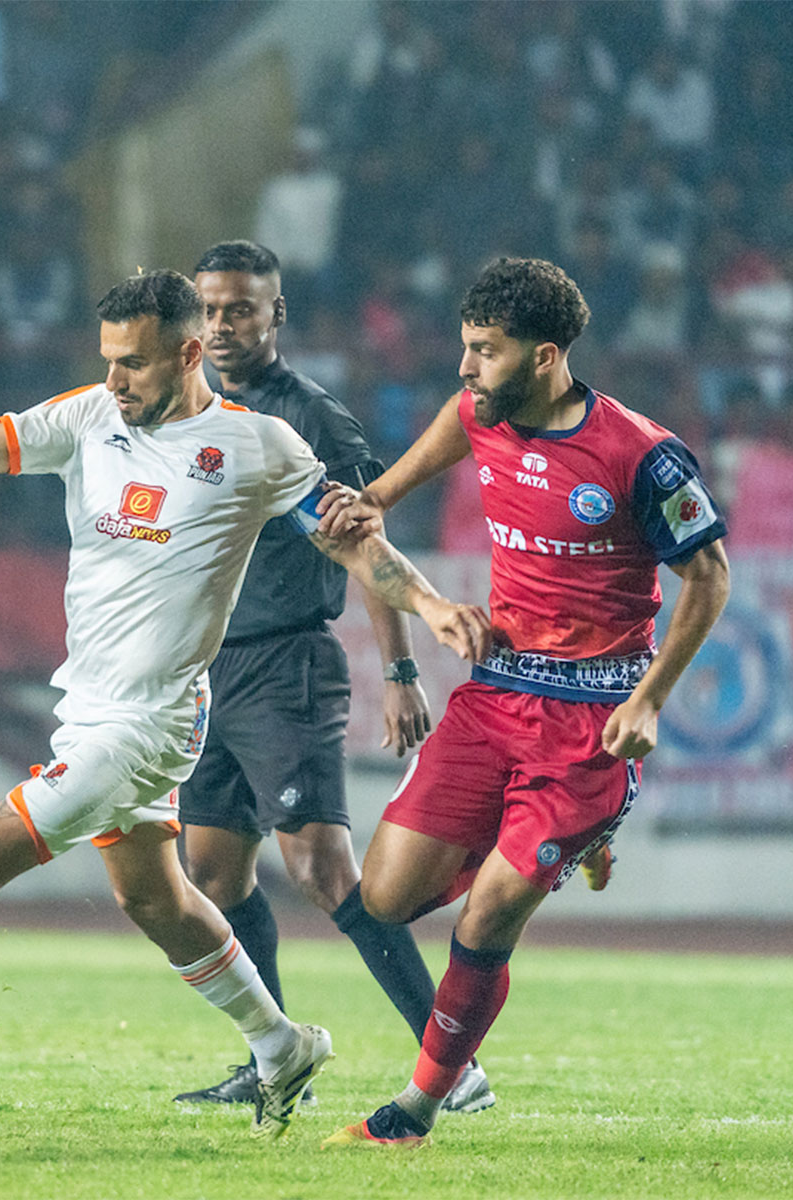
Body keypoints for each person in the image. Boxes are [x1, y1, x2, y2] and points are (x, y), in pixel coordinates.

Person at [0, 270, 491, 1138]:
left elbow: (354, 545)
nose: (115, 379)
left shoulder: (258, 445)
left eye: (135, 364)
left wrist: (432, 608)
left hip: (151, 722)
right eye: (108, 360)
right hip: (87, 708)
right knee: (157, 900)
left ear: (188, 355)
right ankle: (280, 1045)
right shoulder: (89, 416)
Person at [318, 258, 730, 1149]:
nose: (467, 366)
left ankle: (415, 1110)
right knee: (383, 898)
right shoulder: (474, 414)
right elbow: (373, 505)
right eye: (466, 346)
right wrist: (367, 535)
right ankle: (566, 840)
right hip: (497, 695)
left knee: (488, 914)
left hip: (594, 720)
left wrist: (651, 700)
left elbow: (710, 577)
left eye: (486, 350)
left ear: (545, 356)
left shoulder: (642, 456)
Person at [173, 241, 493, 1114]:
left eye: (241, 309)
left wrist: (399, 669)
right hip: (207, 669)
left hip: (286, 665)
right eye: (210, 309)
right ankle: (274, 1061)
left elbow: (364, 540)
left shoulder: (313, 418)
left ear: (276, 314)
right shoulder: (186, 410)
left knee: (322, 868)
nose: (223, 325)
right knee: (214, 873)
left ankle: (453, 1064)